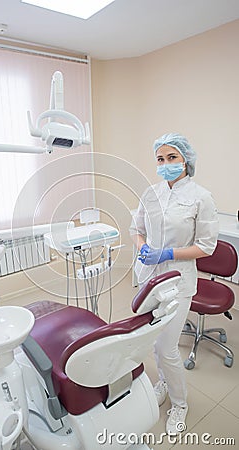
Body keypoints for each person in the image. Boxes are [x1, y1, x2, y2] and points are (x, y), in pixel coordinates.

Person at [129, 133, 219, 434]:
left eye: (172, 158)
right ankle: (164, 383)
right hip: (150, 277)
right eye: (160, 159)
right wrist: (143, 246)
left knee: (167, 346)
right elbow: (136, 227)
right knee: (155, 341)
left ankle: (180, 403)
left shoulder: (201, 197)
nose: (165, 164)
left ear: (186, 160)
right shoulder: (150, 193)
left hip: (179, 281)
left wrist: (168, 252)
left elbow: (207, 246)